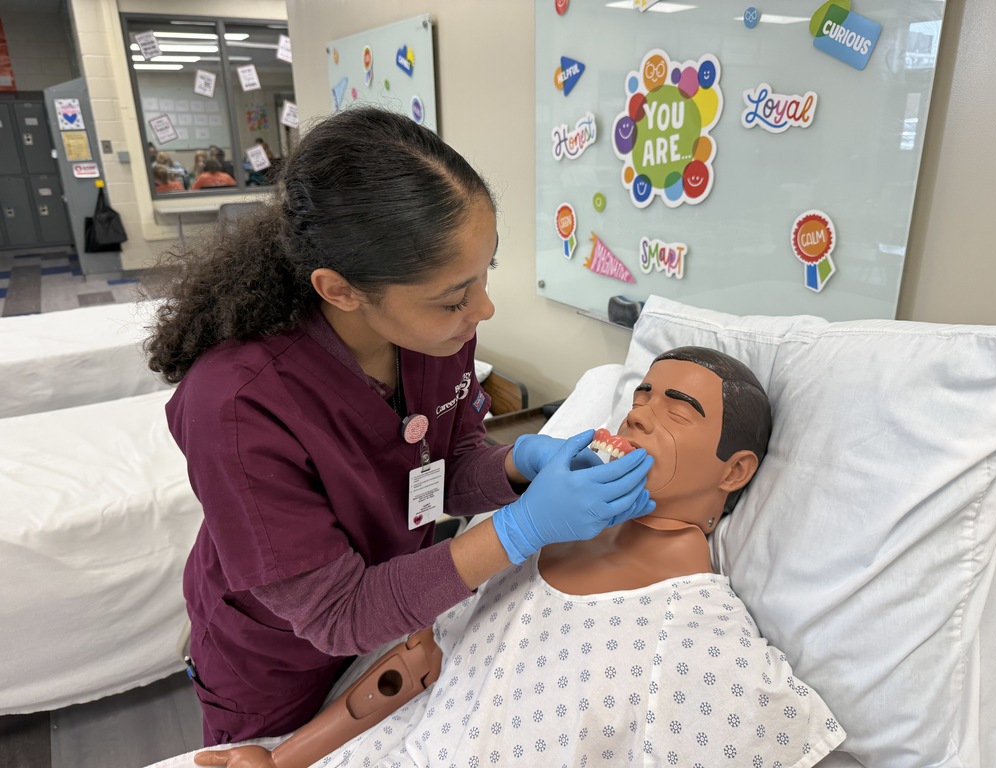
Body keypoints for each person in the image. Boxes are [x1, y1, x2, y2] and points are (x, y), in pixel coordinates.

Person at [145, 105, 655, 747]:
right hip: (276, 663)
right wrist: (521, 528)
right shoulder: (236, 405)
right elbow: (338, 612)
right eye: (455, 297)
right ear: (340, 290)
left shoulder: (435, 338)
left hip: (399, 616)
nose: (484, 309)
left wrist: (517, 465)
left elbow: (442, 463)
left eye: (487, 274)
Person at [190, 347, 848, 768]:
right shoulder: (539, 539)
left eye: (678, 408)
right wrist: (283, 761)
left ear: (735, 471)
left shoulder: (702, 641)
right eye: (641, 395)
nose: (639, 415)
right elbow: (417, 665)